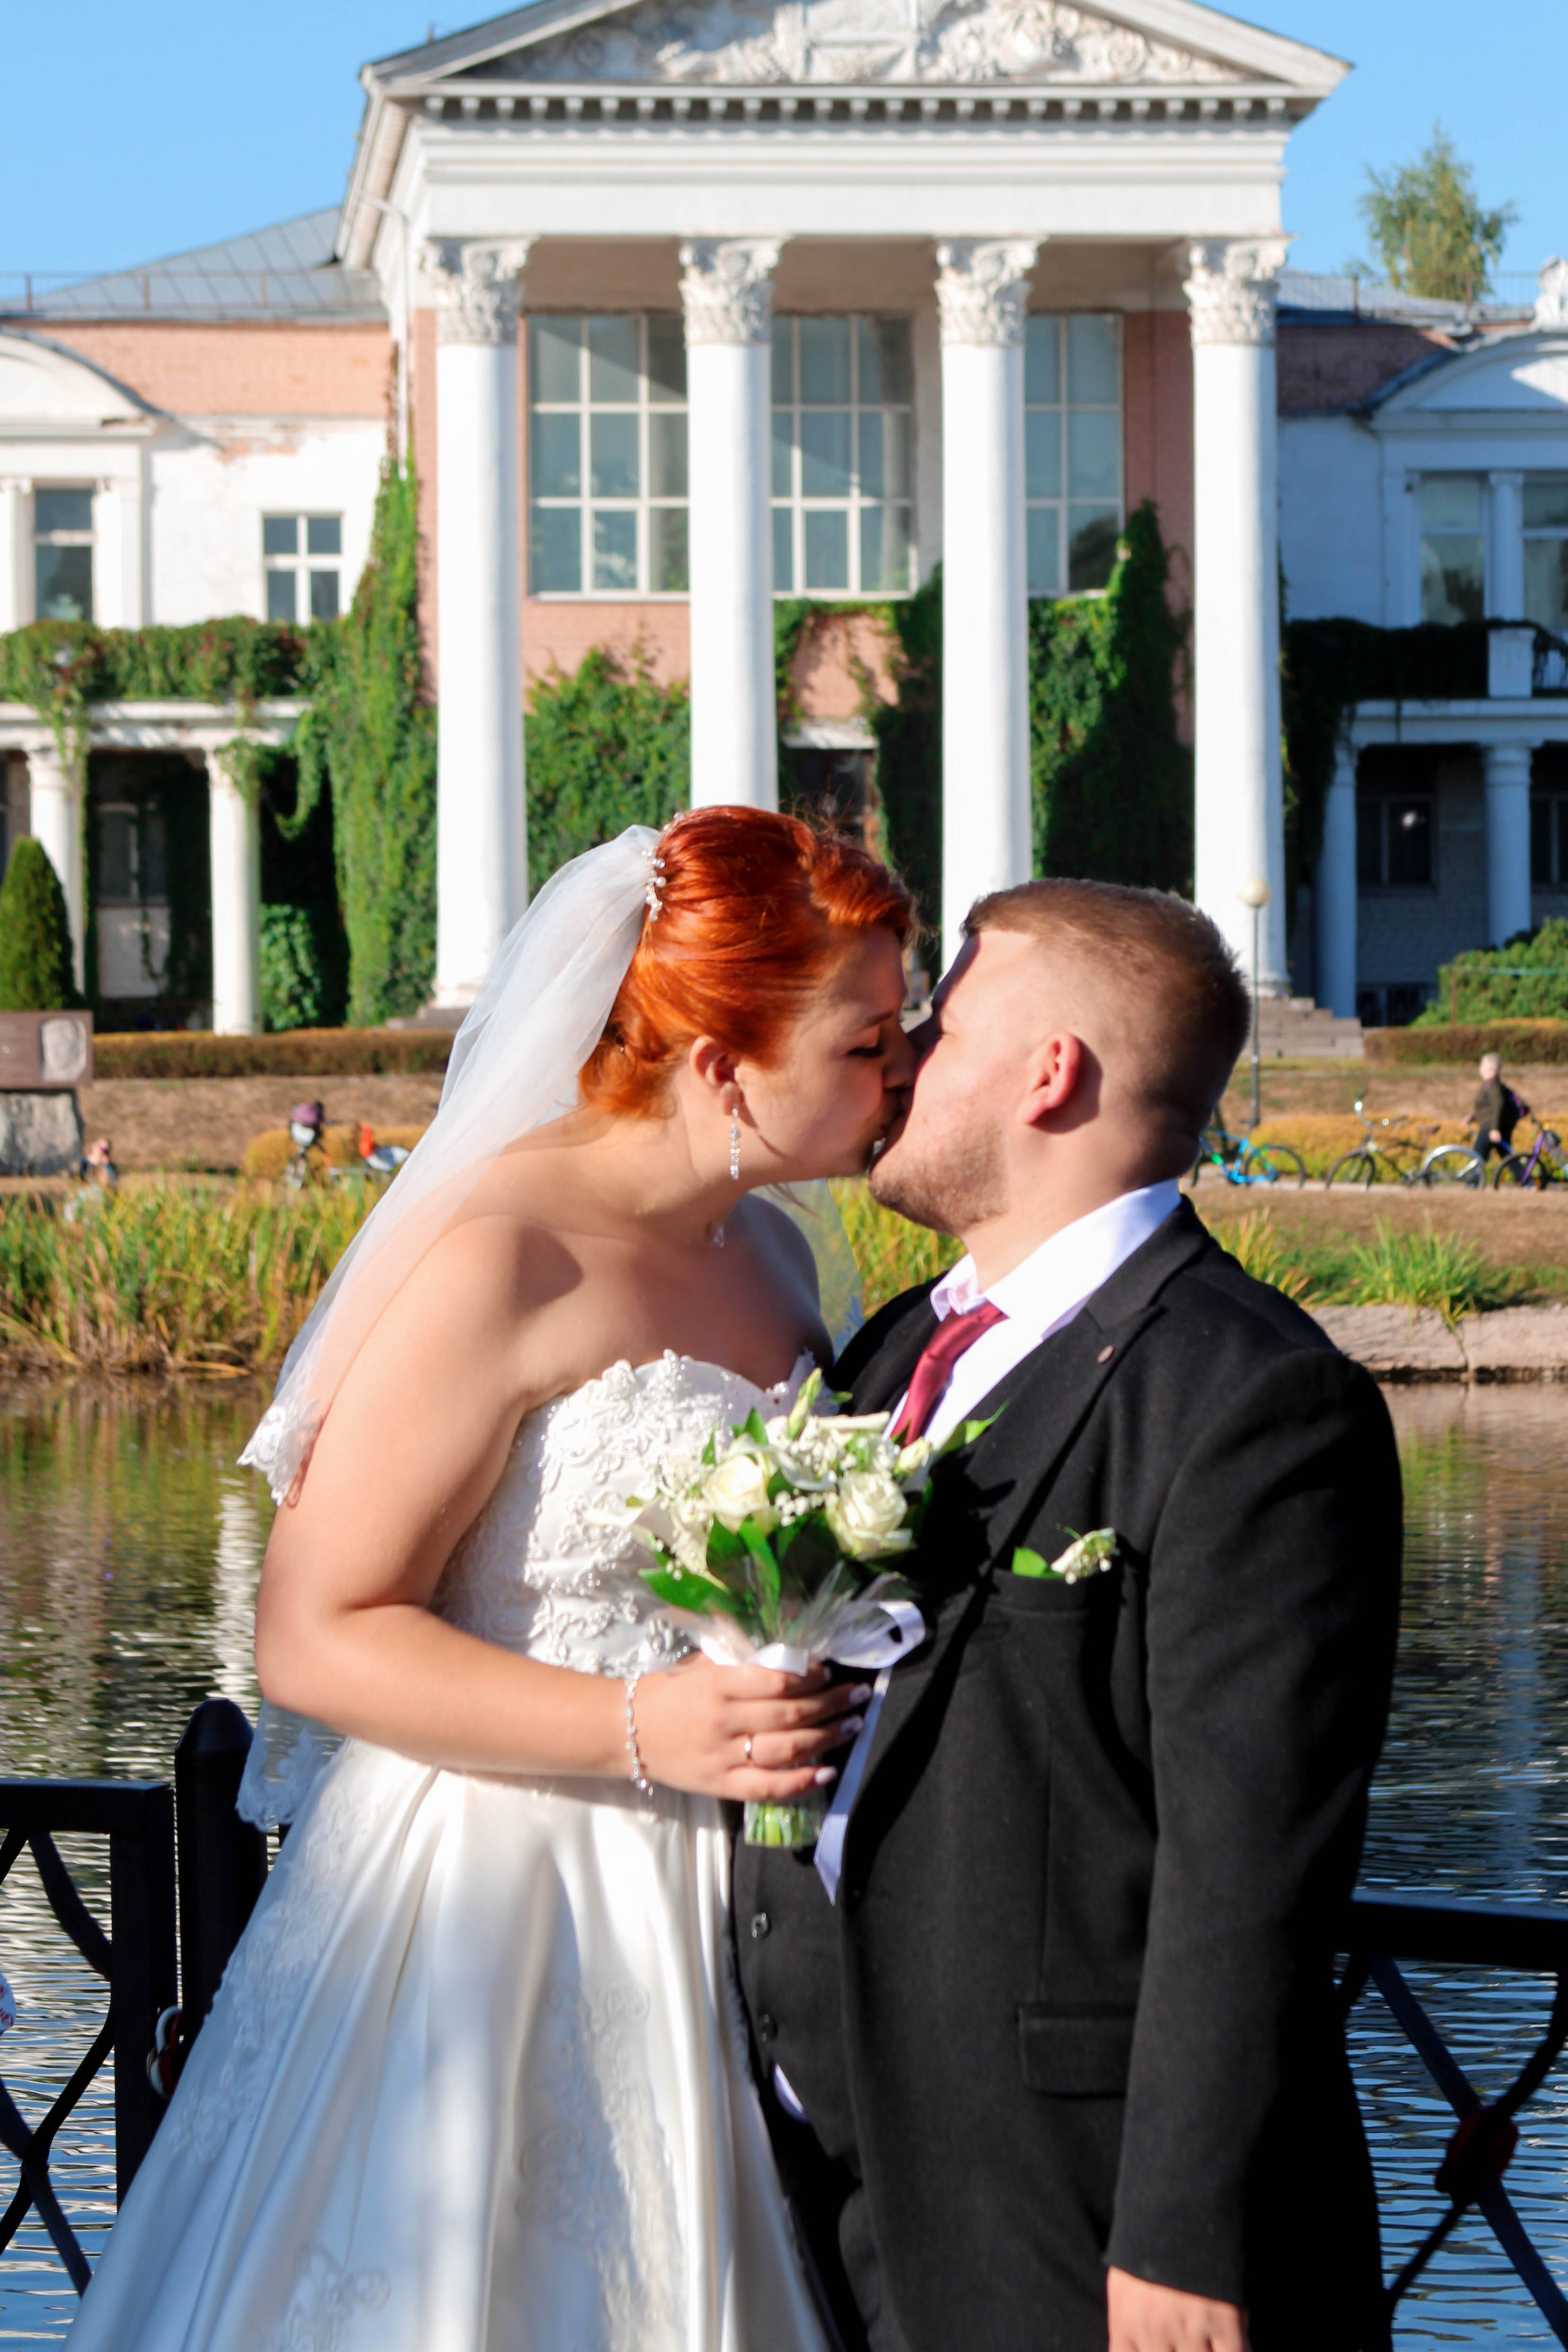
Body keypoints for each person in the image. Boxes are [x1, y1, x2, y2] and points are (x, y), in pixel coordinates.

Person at [69, 810, 916, 2352]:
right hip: (489, 1893)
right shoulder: (500, 1253)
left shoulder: (780, 1259)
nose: (899, 1069)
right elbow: (315, 1636)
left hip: (728, 1893)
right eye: (864, 1040)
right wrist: (641, 1729)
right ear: (723, 1063)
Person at [737, 879, 1403, 2352]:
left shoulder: (1252, 1401)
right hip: (821, 2182)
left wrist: (1182, 2231)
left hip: (1075, 2214)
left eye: (943, 1019)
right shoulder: (887, 1349)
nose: (897, 1051)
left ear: (1051, 1072)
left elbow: (1251, 1865)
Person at [1471, 1050, 1529, 1165]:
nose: (1480, 1067)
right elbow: (1488, 1108)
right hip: (1495, 1127)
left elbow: (1498, 1104)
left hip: (1490, 1128)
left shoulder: (1493, 1085)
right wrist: (1472, 1118)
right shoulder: (1492, 1084)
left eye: (1482, 1064)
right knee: (1508, 1158)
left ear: (1490, 1067)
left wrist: (1495, 1129)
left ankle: (1473, 1182)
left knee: (1477, 1157)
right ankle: (1527, 1180)